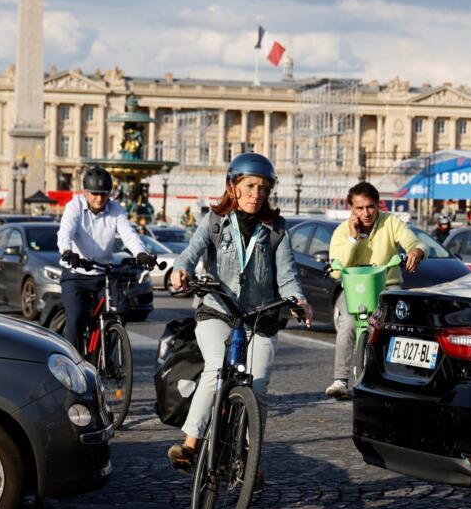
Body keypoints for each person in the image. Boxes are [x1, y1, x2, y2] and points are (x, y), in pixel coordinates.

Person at [167, 153, 312, 472]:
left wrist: (297, 300)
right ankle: (190, 443)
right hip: (217, 311)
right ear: (233, 186)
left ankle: (247, 457)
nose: (256, 194)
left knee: (257, 386)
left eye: (263, 188)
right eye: (249, 186)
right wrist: (180, 272)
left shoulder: (276, 229)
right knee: (216, 367)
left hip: (261, 318)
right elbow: (189, 256)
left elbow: (287, 275)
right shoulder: (214, 221)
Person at [325, 181, 426, 400]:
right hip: (354, 288)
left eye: (370, 207)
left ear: (378, 205)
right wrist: (353, 239)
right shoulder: (343, 231)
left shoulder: (391, 222)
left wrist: (416, 251)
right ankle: (340, 380)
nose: (366, 213)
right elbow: (335, 269)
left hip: (387, 285)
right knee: (347, 325)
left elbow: (414, 242)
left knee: (396, 327)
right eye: (359, 208)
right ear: (350, 208)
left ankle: (397, 377)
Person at [57, 166, 154, 350]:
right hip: (76, 273)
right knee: (76, 318)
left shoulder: (116, 209)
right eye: (95, 193)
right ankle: (71, 362)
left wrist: (141, 253)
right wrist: (68, 252)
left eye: (104, 194)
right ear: (85, 192)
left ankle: (105, 355)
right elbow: (65, 233)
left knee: (122, 311)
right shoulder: (74, 206)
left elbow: (129, 235)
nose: (99, 198)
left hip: (103, 275)